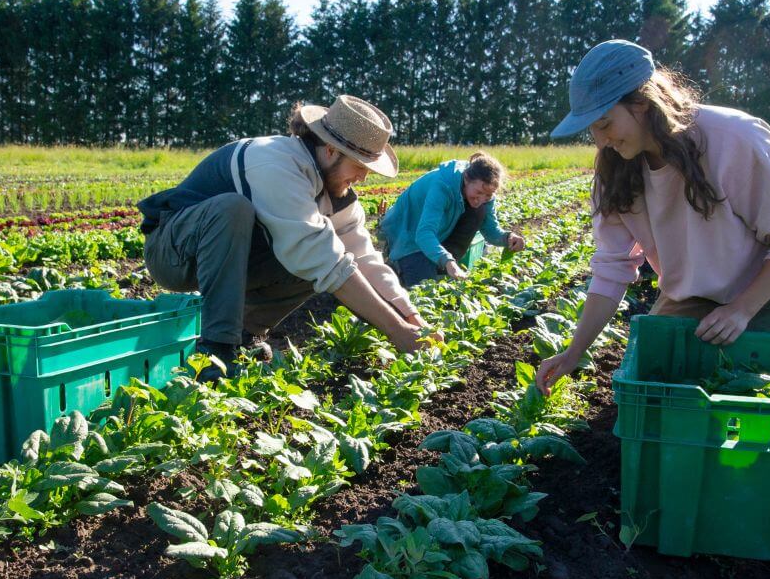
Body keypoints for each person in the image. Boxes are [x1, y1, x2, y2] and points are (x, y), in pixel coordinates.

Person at [536, 39, 770, 394]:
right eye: (592, 129)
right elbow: (612, 267)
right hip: (695, 288)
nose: (600, 140)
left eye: (605, 123)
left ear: (641, 103)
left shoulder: (732, 139)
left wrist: (741, 309)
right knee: (657, 385)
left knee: (747, 389)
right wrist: (574, 351)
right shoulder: (614, 172)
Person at [138, 94, 435, 381]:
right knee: (237, 211)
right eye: (359, 166)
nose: (363, 178)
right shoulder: (274, 161)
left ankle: (245, 332)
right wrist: (395, 332)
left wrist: (409, 316)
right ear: (330, 150)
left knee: (327, 256)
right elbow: (321, 256)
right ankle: (216, 350)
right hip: (173, 251)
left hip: (230, 257)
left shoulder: (338, 195)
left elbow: (364, 258)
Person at [378, 152, 526, 288]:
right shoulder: (442, 186)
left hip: (434, 233)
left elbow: (491, 230)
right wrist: (448, 261)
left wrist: (508, 238)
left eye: (488, 195)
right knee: (423, 290)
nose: (482, 199)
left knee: (478, 211)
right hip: (406, 235)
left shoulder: (485, 195)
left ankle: (440, 264)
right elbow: (424, 233)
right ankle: (397, 263)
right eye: (479, 192)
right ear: (467, 179)